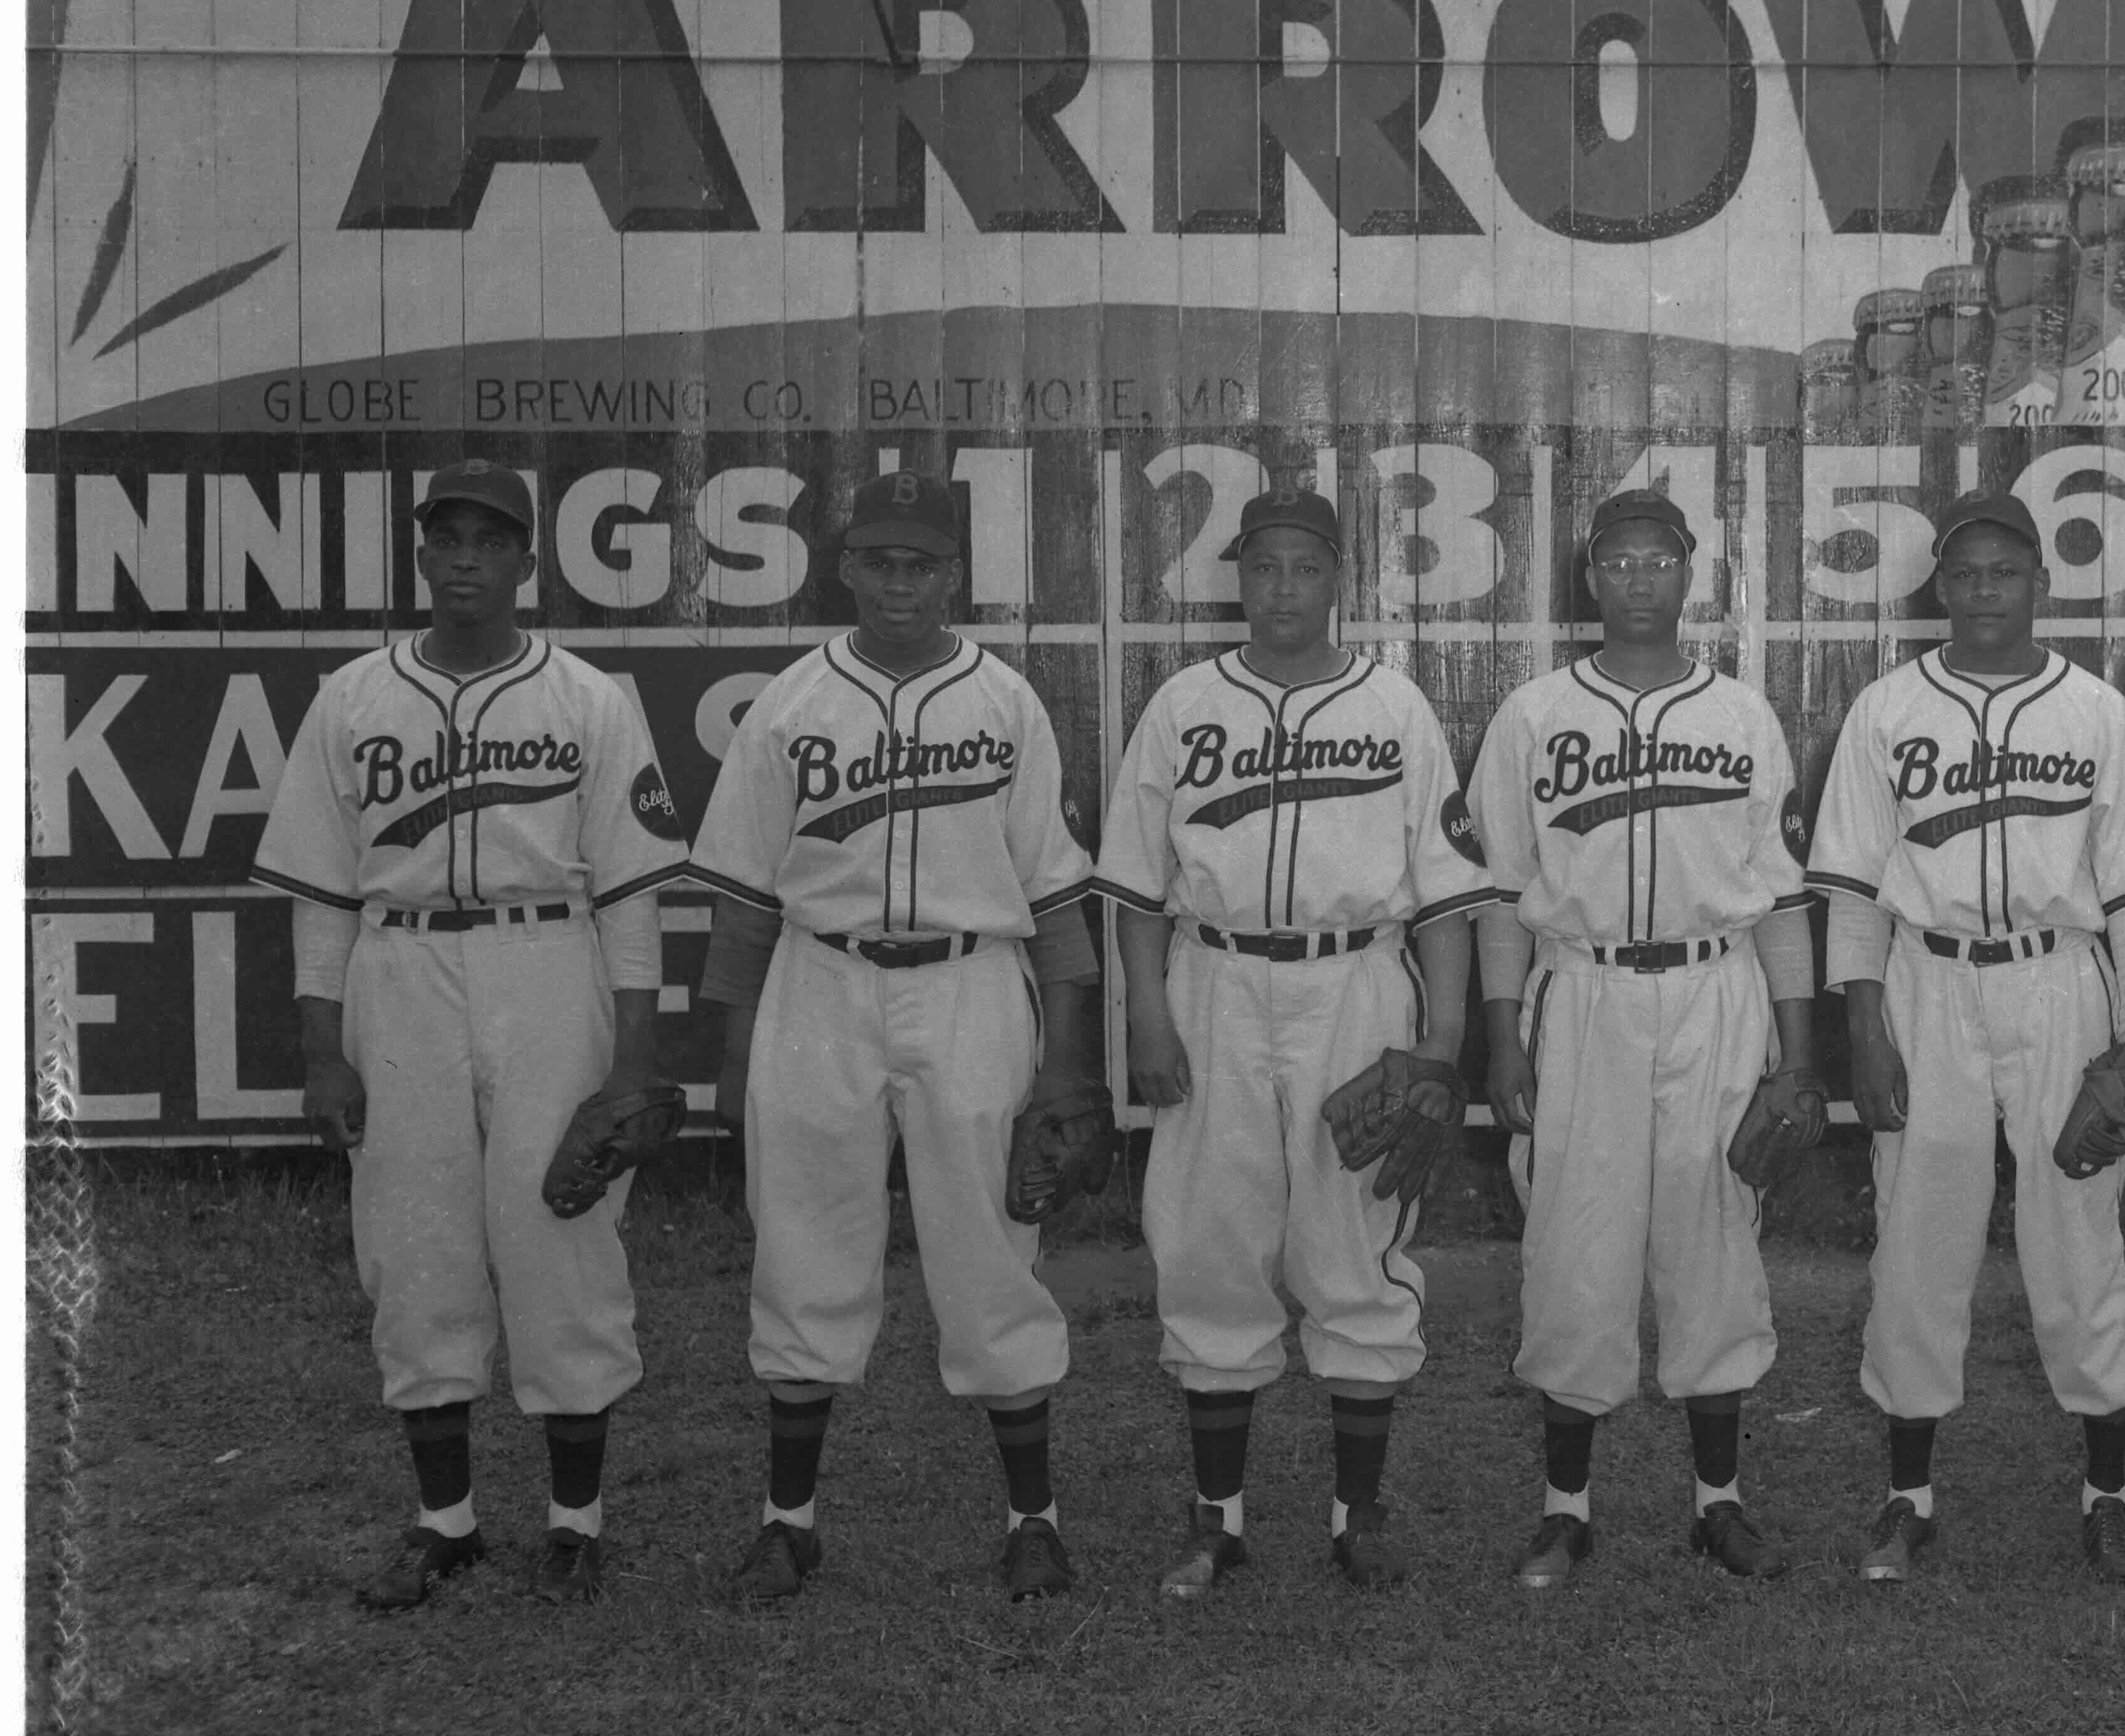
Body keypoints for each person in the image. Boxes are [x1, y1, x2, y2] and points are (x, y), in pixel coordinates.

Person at [252, 463, 688, 1610]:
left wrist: (635, 1058)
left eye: (487, 541)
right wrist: (319, 1045)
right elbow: (323, 894)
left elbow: (633, 893)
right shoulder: (353, 698)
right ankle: (445, 1523)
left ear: (524, 562)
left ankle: (574, 1524)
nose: (462, 558)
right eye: (444, 536)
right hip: (398, 970)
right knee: (414, 1236)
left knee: (564, 1232)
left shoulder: (588, 697)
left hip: (550, 964)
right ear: (421, 552)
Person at [687, 471, 1103, 1605]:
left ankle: (1034, 1521)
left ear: (952, 575)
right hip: (818, 985)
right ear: (848, 568)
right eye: (882, 560)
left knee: (988, 1252)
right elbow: (742, 898)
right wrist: (732, 1062)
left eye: (923, 562)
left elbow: (1057, 896)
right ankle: (789, 1523)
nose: (902, 581)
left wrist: (1066, 1066)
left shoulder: (1004, 701)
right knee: (805, 1241)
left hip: (971, 985)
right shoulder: (787, 704)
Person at [1094, 488, 1490, 1598]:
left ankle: (1355, 1518)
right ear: (1239, 581)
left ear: (1336, 580)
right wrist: (1146, 1016)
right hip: (1211, 980)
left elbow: (1449, 898)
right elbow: (1132, 882)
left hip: (1356, 983)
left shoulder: (1398, 706)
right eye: (1260, 569)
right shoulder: (1182, 704)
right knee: (1208, 1237)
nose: (1280, 590)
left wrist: (1442, 1041)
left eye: (1302, 569)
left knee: (1352, 1242)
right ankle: (1214, 1524)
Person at [1806, 490, 2125, 1585]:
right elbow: (1852, 891)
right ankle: (1906, 1498)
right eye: (1965, 573)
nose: (1984, 591)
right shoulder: (1886, 710)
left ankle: (2107, 1493)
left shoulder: (2097, 711)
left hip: (2059, 984)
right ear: (1940, 586)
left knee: (2078, 1238)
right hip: (1928, 984)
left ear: (2041, 583)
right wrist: (1862, 1024)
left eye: (2005, 572)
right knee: (1917, 1238)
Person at [1468, 487, 1820, 1587]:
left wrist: (1801, 1060)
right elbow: (1497, 893)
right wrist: (1502, 1041)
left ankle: (1720, 1503)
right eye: (1616, 563)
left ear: (1688, 572)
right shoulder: (1532, 716)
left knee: (1715, 1238)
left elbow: (1781, 900)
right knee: (1575, 1246)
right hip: (1583, 996)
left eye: (1656, 561)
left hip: (1718, 994)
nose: (1636, 580)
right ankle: (1566, 1511)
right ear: (1590, 578)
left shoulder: (1742, 717)